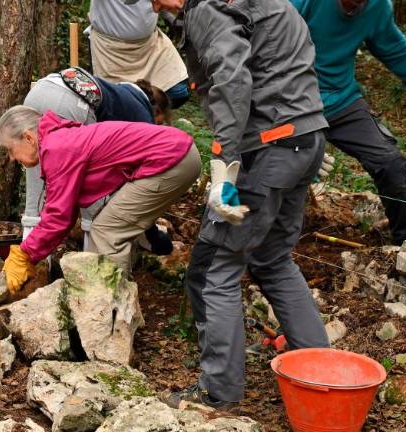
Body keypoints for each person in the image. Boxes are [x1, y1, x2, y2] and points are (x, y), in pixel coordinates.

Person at [147, 0, 331, 409]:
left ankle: (218, 392)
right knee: (273, 259)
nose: (157, 7)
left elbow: (231, 77)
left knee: (215, 267)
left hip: (267, 146)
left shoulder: (207, 7)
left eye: (155, 0)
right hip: (304, 135)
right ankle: (323, 374)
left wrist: (224, 162)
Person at [0, 106, 201, 292]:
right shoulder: (59, 141)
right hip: (177, 154)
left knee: (107, 231)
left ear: (29, 138)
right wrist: (31, 255)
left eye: (10, 149)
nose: (11, 158)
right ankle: (100, 304)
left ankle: (109, 318)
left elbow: (58, 217)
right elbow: (65, 211)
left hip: (172, 159)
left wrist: (24, 254)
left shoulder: (56, 148)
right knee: (103, 230)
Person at [291, 0, 406, 245]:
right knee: (294, 165)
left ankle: (405, 242)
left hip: (341, 99)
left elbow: (391, 42)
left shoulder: (378, 7)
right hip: (293, 99)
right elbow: (268, 47)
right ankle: (279, 248)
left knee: (390, 162)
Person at [22, 67, 175, 254]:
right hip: (74, 102)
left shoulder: (118, 93)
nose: (158, 125)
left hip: (40, 89)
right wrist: (153, 238)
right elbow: (140, 183)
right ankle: (91, 263)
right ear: (156, 110)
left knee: (36, 194)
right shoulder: (143, 114)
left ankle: (27, 262)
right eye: (160, 121)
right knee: (95, 204)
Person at [89, 0, 190, 108]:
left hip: (149, 45)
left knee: (179, 92)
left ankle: (145, 114)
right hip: (112, 51)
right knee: (117, 104)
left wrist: (170, 17)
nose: (155, 8)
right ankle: (137, 115)